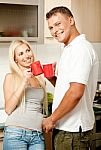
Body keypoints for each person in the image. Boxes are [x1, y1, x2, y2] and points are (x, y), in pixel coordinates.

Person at [42, 6, 99, 150]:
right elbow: (70, 89)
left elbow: (75, 93)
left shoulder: (80, 49)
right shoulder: (70, 49)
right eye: (51, 27)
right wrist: (53, 79)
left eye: (58, 24)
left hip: (74, 133)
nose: (55, 30)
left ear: (71, 20)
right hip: (67, 129)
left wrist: (51, 119)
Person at [3, 39, 48, 150]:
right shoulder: (10, 77)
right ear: (15, 59)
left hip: (37, 135)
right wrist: (23, 82)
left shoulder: (40, 79)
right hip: (16, 134)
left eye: (28, 51)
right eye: (21, 54)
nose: (27, 55)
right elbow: (8, 109)